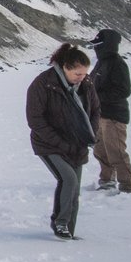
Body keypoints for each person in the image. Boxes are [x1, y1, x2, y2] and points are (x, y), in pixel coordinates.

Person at [26, 43, 100, 240]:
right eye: (77, 74)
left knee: (74, 189)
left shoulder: (86, 84)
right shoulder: (43, 83)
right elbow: (35, 120)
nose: (82, 78)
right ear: (65, 67)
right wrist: (60, 143)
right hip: (48, 144)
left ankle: (69, 232)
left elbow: (94, 111)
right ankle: (60, 223)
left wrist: (91, 134)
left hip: (78, 143)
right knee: (69, 179)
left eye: (84, 74)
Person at [90, 28, 131, 193]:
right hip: (99, 115)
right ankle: (107, 180)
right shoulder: (101, 63)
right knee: (100, 150)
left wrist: (98, 96)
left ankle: (127, 185)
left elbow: (124, 90)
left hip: (114, 116)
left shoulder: (117, 63)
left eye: (98, 44)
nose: (95, 47)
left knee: (115, 151)